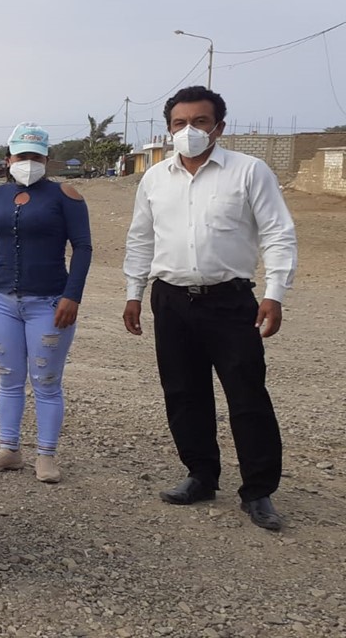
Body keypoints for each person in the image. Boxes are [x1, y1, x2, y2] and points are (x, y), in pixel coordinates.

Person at [123, 86, 297, 531]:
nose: (189, 131)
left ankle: (258, 491)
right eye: (179, 124)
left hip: (230, 299)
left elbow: (278, 233)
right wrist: (133, 293)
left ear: (219, 126)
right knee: (183, 393)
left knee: (247, 395)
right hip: (171, 299)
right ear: (168, 129)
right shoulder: (155, 179)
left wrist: (275, 293)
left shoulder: (249, 172)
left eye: (199, 122)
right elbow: (141, 238)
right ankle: (201, 475)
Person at [0, 123, 92, 483]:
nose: (28, 162)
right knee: (9, 378)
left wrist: (72, 295)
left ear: (46, 158)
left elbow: (83, 247)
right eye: (21, 156)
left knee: (46, 381)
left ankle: (46, 455)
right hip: (1, 302)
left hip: (50, 302)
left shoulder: (66, 195)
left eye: (36, 156)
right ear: (8, 158)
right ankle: (10, 448)